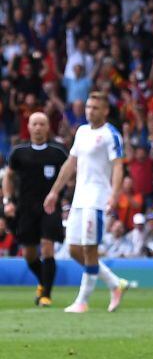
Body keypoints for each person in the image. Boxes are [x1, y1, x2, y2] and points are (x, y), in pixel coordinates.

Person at [43, 92, 135, 313]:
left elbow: (118, 166)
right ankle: (115, 284)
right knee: (74, 249)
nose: (89, 111)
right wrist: (54, 192)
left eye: (95, 107)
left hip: (97, 198)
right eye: (88, 106)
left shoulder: (111, 135)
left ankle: (82, 301)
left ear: (105, 111)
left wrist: (114, 195)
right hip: (79, 198)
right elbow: (70, 163)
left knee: (89, 249)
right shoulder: (82, 132)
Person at [4, 112, 67, 306]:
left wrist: (61, 197)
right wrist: (8, 200)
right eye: (35, 124)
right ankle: (42, 282)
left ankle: (46, 295)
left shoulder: (58, 151)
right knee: (29, 253)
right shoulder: (18, 152)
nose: (38, 127)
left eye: (42, 124)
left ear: (48, 127)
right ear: (29, 127)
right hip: (25, 208)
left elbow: (68, 174)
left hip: (49, 207)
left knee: (47, 248)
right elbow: (9, 176)